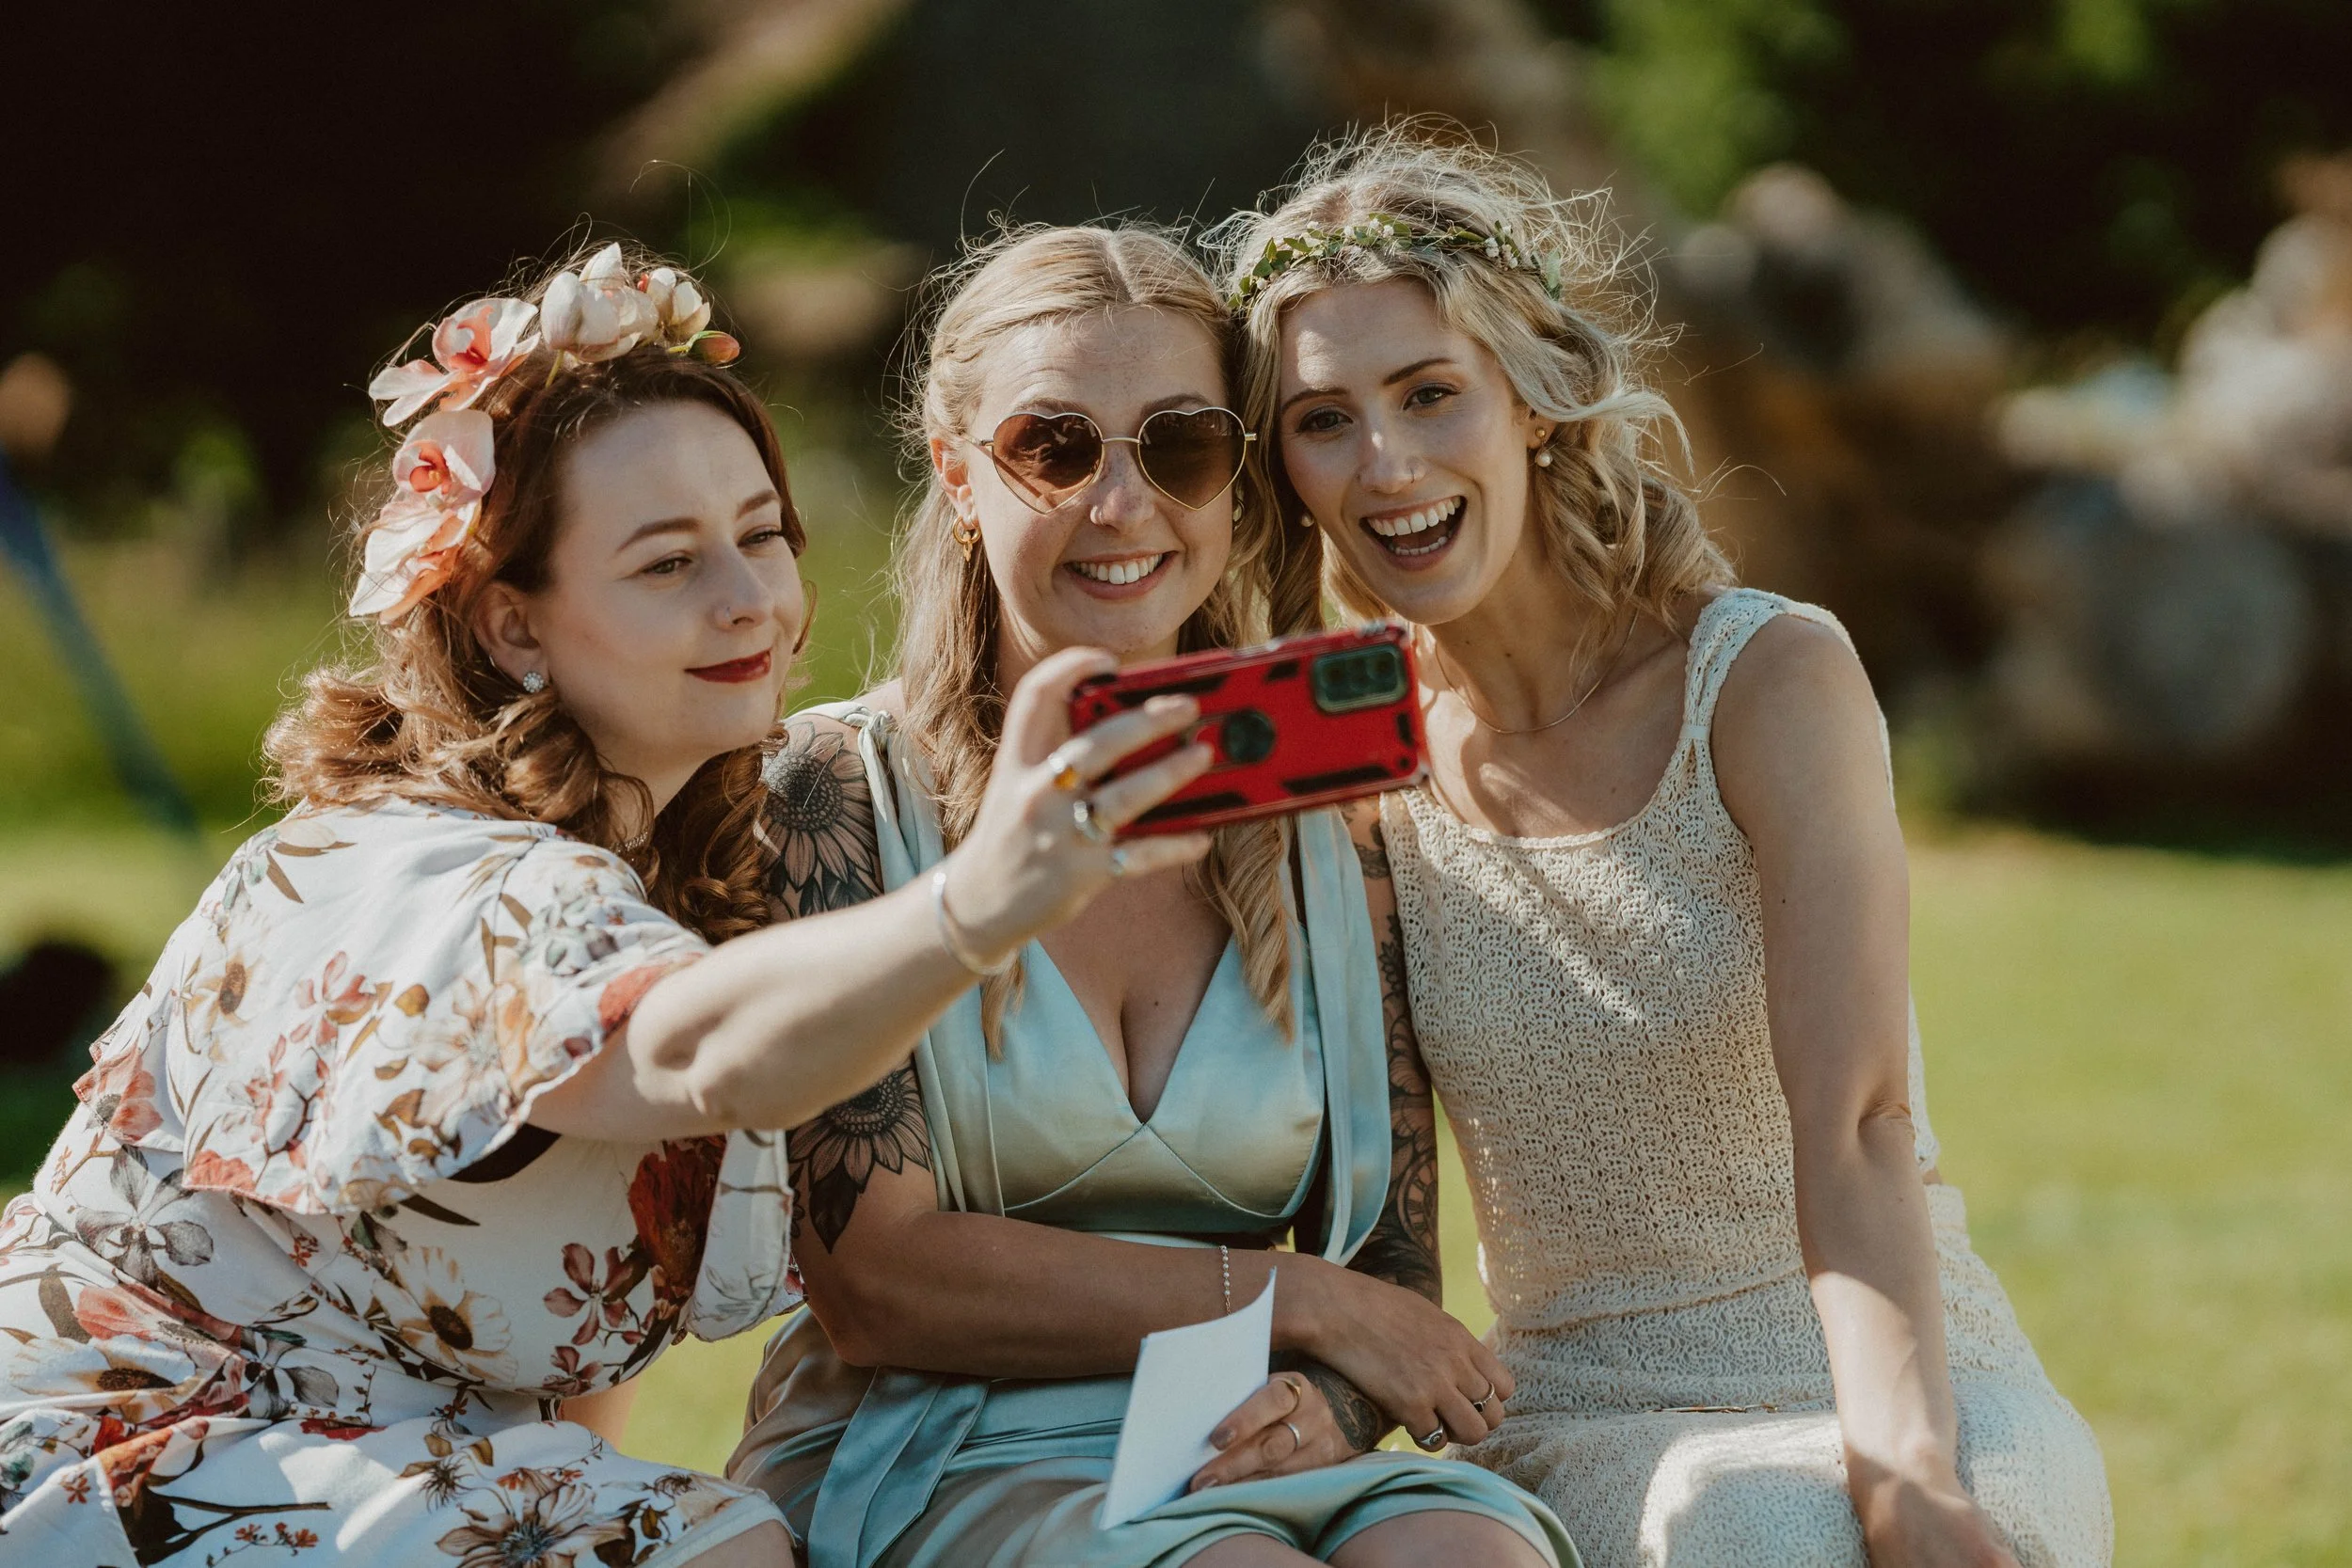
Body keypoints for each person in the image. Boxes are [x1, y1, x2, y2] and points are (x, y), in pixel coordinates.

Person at [0, 242, 1215, 1568]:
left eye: (763, 537)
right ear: (514, 626)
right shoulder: (434, 871)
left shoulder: (688, 865)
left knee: (683, 1530)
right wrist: (980, 902)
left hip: (359, 1472)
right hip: (108, 1453)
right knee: (716, 1546)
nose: (748, 597)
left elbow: (573, 1407)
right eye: (667, 564)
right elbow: (687, 1049)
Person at [1212, 125, 2114, 1568]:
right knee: (1750, 1533)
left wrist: (1903, 1471)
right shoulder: (1349, 755)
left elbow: (1863, 1120)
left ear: (1539, 401)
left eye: (1432, 393)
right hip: (1578, 1408)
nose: (1387, 463)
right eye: (1325, 420)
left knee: (1901, 1526)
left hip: (1897, 1365)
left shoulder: (1764, 680)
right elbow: (1372, 1204)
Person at [725, 224, 1576, 1568]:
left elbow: (1392, 1274)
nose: (1123, 505)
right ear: (958, 472)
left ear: (1233, 484)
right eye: (1055, 448)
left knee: (1476, 1558)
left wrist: (1331, 1400)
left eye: (1179, 447)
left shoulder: (1329, 817)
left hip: (1241, 1439)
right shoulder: (838, 797)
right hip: (948, 1446)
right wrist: (1291, 1297)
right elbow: (874, 1285)